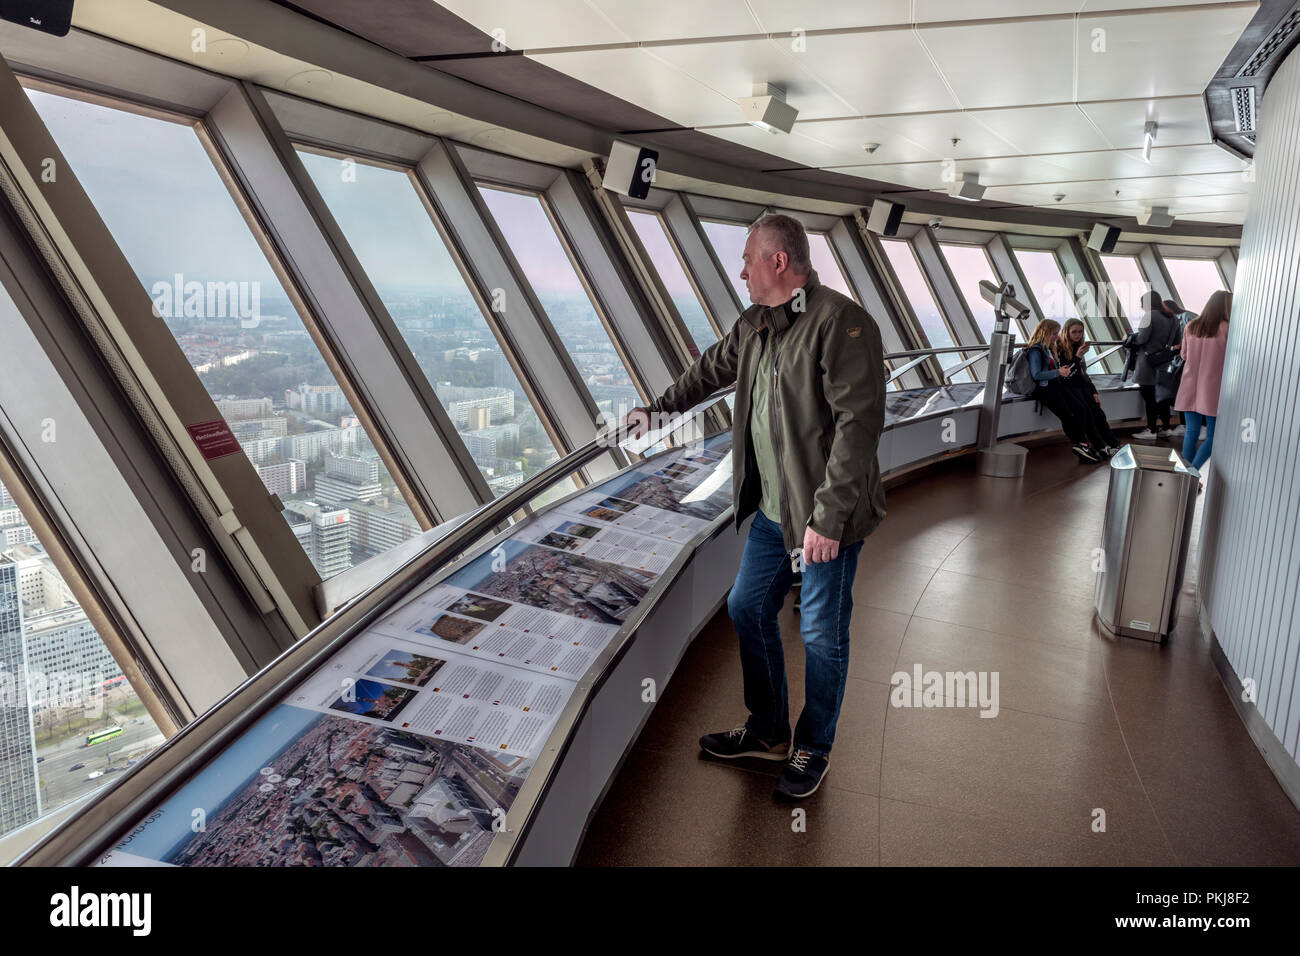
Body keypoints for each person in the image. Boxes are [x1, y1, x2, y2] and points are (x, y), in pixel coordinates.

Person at [622, 214, 886, 800]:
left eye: (747, 260)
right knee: (746, 608)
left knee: (820, 630)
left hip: (824, 518)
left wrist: (829, 517)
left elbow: (859, 426)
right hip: (772, 509)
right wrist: (657, 411)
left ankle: (813, 746)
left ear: (778, 262)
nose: (740, 272)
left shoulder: (842, 324)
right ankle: (768, 732)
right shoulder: (755, 326)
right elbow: (708, 372)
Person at [1023, 319, 1103, 463]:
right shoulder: (1036, 350)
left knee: (1080, 410)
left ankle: (1082, 444)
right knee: (1067, 415)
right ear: (1045, 333)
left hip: (1056, 386)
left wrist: (1060, 372)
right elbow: (1037, 375)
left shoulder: (1048, 348)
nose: (1056, 337)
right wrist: (1058, 372)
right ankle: (1082, 445)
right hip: (1046, 389)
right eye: (1054, 334)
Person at [1174, 290, 1231, 485]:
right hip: (1212, 388)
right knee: (1214, 437)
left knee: (1191, 432)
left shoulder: (1191, 326)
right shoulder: (1226, 327)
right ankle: (1191, 474)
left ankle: (1185, 475)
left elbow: (1183, 355)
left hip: (1190, 384)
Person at [1054, 318, 1120, 456]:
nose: (1077, 335)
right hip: (1070, 388)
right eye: (1074, 332)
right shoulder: (1059, 348)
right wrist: (1077, 357)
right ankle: (1101, 446)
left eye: (1080, 332)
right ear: (1067, 332)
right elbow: (1066, 374)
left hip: (1081, 386)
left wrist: (1093, 391)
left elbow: (1083, 372)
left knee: (1099, 414)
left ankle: (1114, 444)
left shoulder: (1078, 346)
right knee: (1088, 415)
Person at [1131, 291, 1181, 440]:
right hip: (1163, 362)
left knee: (1149, 397)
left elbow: (1142, 339)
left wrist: (1130, 338)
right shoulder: (1173, 318)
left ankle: (1151, 430)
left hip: (1147, 362)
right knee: (1161, 396)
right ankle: (1166, 427)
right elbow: (1176, 341)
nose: (1141, 307)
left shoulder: (1149, 316)